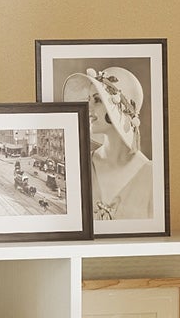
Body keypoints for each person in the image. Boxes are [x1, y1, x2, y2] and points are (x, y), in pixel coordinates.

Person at [62, 65, 153, 222]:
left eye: (97, 100)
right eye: (88, 100)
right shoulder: (82, 166)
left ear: (120, 108)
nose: (87, 107)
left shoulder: (152, 175)